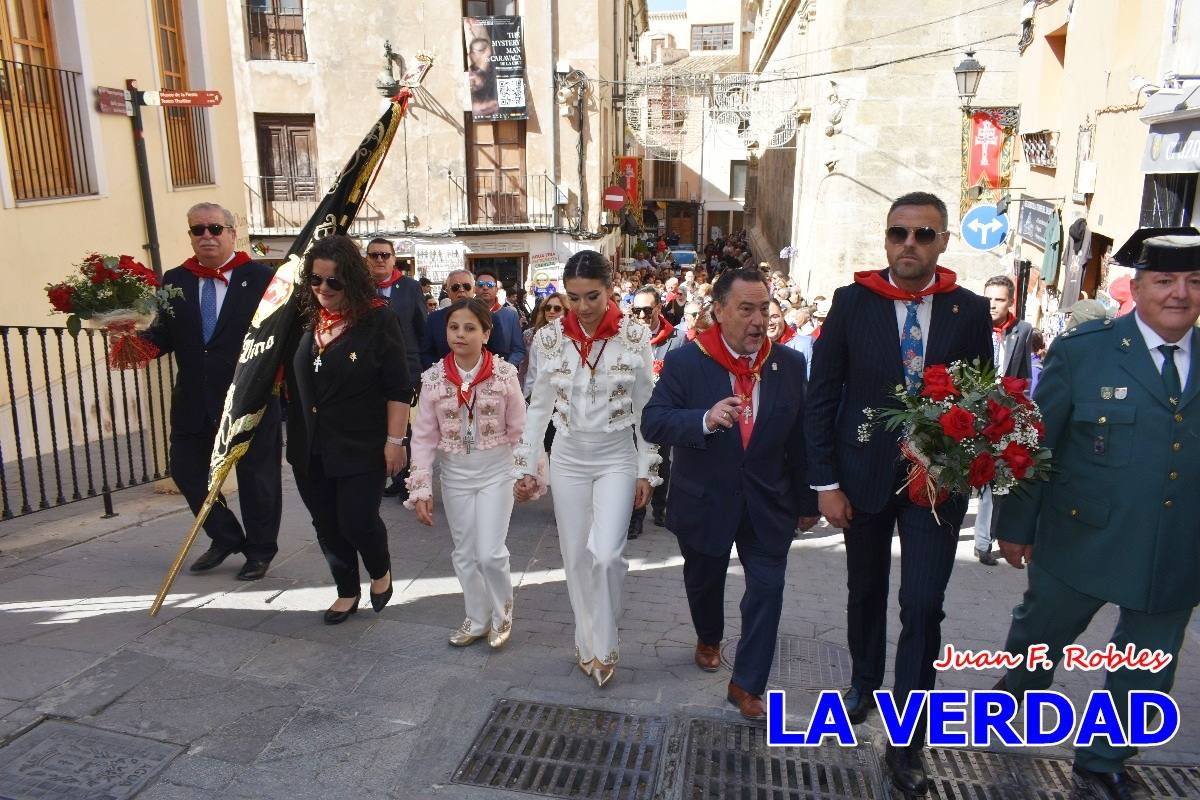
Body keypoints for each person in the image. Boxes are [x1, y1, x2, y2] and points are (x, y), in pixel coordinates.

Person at [993, 231, 1200, 800]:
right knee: (1043, 632)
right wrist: (1014, 524)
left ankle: (1105, 755)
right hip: (1082, 533)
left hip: (1175, 544)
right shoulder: (1085, 352)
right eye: (1165, 281)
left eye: (1194, 281)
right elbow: (1037, 441)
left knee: (1151, 658)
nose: (1180, 294)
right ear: (1137, 287)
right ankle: (1013, 698)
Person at [804, 192, 992, 796]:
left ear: (941, 243)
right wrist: (825, 483)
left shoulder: (969, 311)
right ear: (886, 239)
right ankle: (862, 679)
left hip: (934, 486)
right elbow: (824, 395)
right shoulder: (852, 303)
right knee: (865, 590)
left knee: (922, 604)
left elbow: (980, 402)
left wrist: (964, 463)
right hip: (862, 479)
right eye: (898, 233)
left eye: (923, 234)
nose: (909, 244)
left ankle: (908, 735)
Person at [642, 267, 820, 720]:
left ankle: (747, 684)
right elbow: (654, 420)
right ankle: (708, 636)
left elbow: (800, 438)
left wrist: (807, 501)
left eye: (764, 309)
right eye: (746, 309)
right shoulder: (687, 361)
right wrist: (702, 419)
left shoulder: (787, 364)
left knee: (767, 589)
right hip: (704, 501)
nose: (759, 320)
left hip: (768, 504)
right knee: (704, 584)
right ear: (719, 311)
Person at [512, 250, 659, 688]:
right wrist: (526, 464)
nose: (583, 307)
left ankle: (607, 637)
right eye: (573, 298)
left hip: (616, 455)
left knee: (608, 555)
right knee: (576, 556)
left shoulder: (635, 336)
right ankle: (586, 638)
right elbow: (536, 409)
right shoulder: (549, 339)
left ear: (610, 289)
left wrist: (645, 468)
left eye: (592, 296)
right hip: (569, 457)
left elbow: (645, 406)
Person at [142, 202, 282, 581]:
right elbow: (162, 337)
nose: (206, 236)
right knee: (186, 471)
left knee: (258, 478)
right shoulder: (175, 280)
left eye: (214, 229)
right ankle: (224, 535)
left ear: (232, 233)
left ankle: (259, 551)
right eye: (198, 230)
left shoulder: (263, 279)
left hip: (250, 398)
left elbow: (283, 335)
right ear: (190, 235)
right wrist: (131, 340)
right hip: (193, 399)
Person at [284, 235, 410, 624]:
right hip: (310, 445)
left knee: (356, 519)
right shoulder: (302, 319)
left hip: (362, 443)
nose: (323, 289)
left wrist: (395, 441)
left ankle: (379, 569)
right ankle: (345, 589)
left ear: (352, 281)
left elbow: (397, 387)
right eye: (316, 280)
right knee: (325, 522)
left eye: (334, 282)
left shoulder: (378, 318)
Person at [406, 298, 525, 648]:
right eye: (454, 327)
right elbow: (424, 437)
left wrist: (525, 472)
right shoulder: (433, 379)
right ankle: (476, 617)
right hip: (455, 475)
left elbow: (520, 430)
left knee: (490, 552)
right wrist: (421, 488)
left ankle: (503, 614)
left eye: (470, 328)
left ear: (486, 334)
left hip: (496, 472)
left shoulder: (504, 375)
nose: (460, 334)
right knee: (464, 552)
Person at [973, 274, 1035, 565]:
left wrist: (1022, 409)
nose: (992, 306)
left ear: (1011, 302)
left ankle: (984, 541)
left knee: (993, 478)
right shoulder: (972, 324)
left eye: (999, 300)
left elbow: (1023, 374)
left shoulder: (1022, 331)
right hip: (970, 410)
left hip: (1002, 413)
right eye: (988, 299)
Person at [368, 238, 427, 502]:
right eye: (374, 255)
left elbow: (421, 327)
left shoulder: (410, 288)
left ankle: (407, 479)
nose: (379, 260)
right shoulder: (360, 288)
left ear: (394, 259)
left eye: (384, 255)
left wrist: (422, 367)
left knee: (405, 425)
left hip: (406, 366)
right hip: (371, 368)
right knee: (378, 422)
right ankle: (389, 475)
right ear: (366, 259)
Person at [626, 286, 686, 540]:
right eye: (635, 310)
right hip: (631, 410)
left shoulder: (676, 338)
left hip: (662, 410)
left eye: (646, 310)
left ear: (659, 309)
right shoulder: (624, 337)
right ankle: (635, 517)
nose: (640, 315)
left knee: (661, 460)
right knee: (635, 462)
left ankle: (661, 508)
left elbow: (681, 375)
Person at [421, 269, 475, 368]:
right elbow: (427, 353)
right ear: (448, 291)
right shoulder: (434, 319)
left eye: (466, 286)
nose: (461, 290)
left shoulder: (486, 317)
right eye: (455, 287)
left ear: (473, 290)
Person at [473, 269, 526, 367]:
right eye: (480, 284)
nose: (485, 287)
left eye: (489, 284)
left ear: (496, 289)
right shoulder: (467, 313)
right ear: (475, 288)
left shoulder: (510, 315)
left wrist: (505, 368)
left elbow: (518, 350)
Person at [520, 292, 566, 397]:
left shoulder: (573, 338)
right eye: (548, 308)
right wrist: (528, 397)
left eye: (557, 308)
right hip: (542, 396)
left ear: (566, 312)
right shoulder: (538, 337)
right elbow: (532, 372)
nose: (551, 311)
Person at [768, 298, 813, 379]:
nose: (770, 322)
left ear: (782, 315)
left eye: (774, 316)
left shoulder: (804, 345)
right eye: (765, 317)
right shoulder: (753, 349)